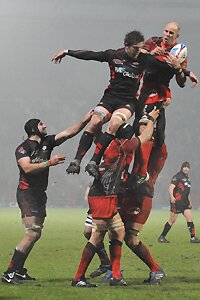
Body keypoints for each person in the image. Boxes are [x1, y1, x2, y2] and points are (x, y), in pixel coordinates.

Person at [51, 30, 182, 179]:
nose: (139, 51)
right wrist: (67, 52)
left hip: (128, 102)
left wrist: (183, 70)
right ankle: (76, 161)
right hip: (109, 98)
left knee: (114, 123)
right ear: (126, 45)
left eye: (140, 48)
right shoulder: (114, 55)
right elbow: (90, 55)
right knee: (94, 122)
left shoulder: (145, 59)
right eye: (136, 48)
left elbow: (166, 67)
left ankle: (94, 161)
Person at [71, 108, 159, 288]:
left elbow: (97, 135)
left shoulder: (108, 144)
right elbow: (146, 136)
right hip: (103, 196)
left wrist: (99, 119)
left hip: (104, 194)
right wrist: (152, 119)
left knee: (118, 232)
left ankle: (116, 275)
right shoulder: (123, 146)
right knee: (96, 236)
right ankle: (79, 278)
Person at [1, 111, 93, 285]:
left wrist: (85, 119)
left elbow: (68, 133)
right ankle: (10, 272)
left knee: (36, 233)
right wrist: (49, 163)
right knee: (32, 233)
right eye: (42, 124)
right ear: (34, 128)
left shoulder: (47, 142)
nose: (45, 126)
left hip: (39, 194)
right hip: (26, 193)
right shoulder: (23, 148)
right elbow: (27, 168)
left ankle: (19, 270)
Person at [131, 22, 198, 184]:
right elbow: (138, 57)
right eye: (166, 31)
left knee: (160, 138)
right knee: (143, 130)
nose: (167, 34)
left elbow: (181, 83)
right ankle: (139, 173)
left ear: (177, 36)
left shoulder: (179, 52)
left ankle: (148, 177)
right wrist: (151, 53)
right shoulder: (153, 41)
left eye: (171, 33)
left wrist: (179, 69)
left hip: (161, 95)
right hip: (146, 91)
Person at [158, 161, 200, 244]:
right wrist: (172, 197)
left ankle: (193, 237)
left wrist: (189, 200)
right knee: (172, 220)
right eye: (185, 167)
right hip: (177, 202)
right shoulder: (177, 176)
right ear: (182, 168)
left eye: (187, 167)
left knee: (190, 218)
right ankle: (162, 237)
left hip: (185, 203)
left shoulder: (187, 178)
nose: (186, 168)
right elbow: (171, 187)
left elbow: (186, 191)